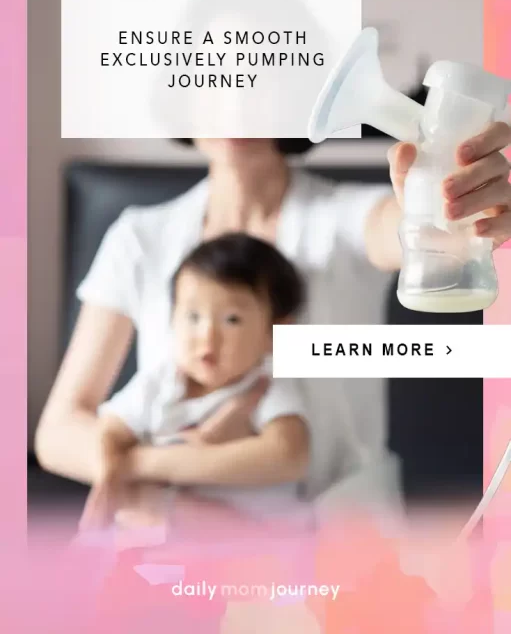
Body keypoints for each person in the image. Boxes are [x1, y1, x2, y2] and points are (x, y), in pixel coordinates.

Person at [36, 125, 511, 513]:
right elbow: (57, 433)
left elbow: (407, 229)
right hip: (173, 551)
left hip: (341, 552)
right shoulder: (139, 237)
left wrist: (445, 207)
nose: (235, 102)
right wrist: (172, 485)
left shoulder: (346, 217)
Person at [81, 233, 358, 531]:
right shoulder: (159, 381)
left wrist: (158, 462)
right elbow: (112, 428)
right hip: (168, 534)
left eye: (232, 320)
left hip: (253, 536)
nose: (207, 336)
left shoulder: (264, 386)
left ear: (275, 332)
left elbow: (289, 455)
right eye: (193, 316)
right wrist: (109, 470)